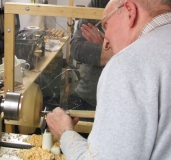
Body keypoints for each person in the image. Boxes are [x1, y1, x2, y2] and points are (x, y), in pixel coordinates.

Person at [46, 0, 171, 159]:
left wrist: (64, 133)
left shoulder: (128, 65)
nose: (105, 44)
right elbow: (78, 47)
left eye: (106, 25)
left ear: (130, 12)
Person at [68, 0, 113, 113]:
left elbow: (138, 56)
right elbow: (76, 47)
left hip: (116, 100)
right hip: (87, 94)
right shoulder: (97, 3)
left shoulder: (142, 6)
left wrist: (104, 45)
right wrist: (110, 50)